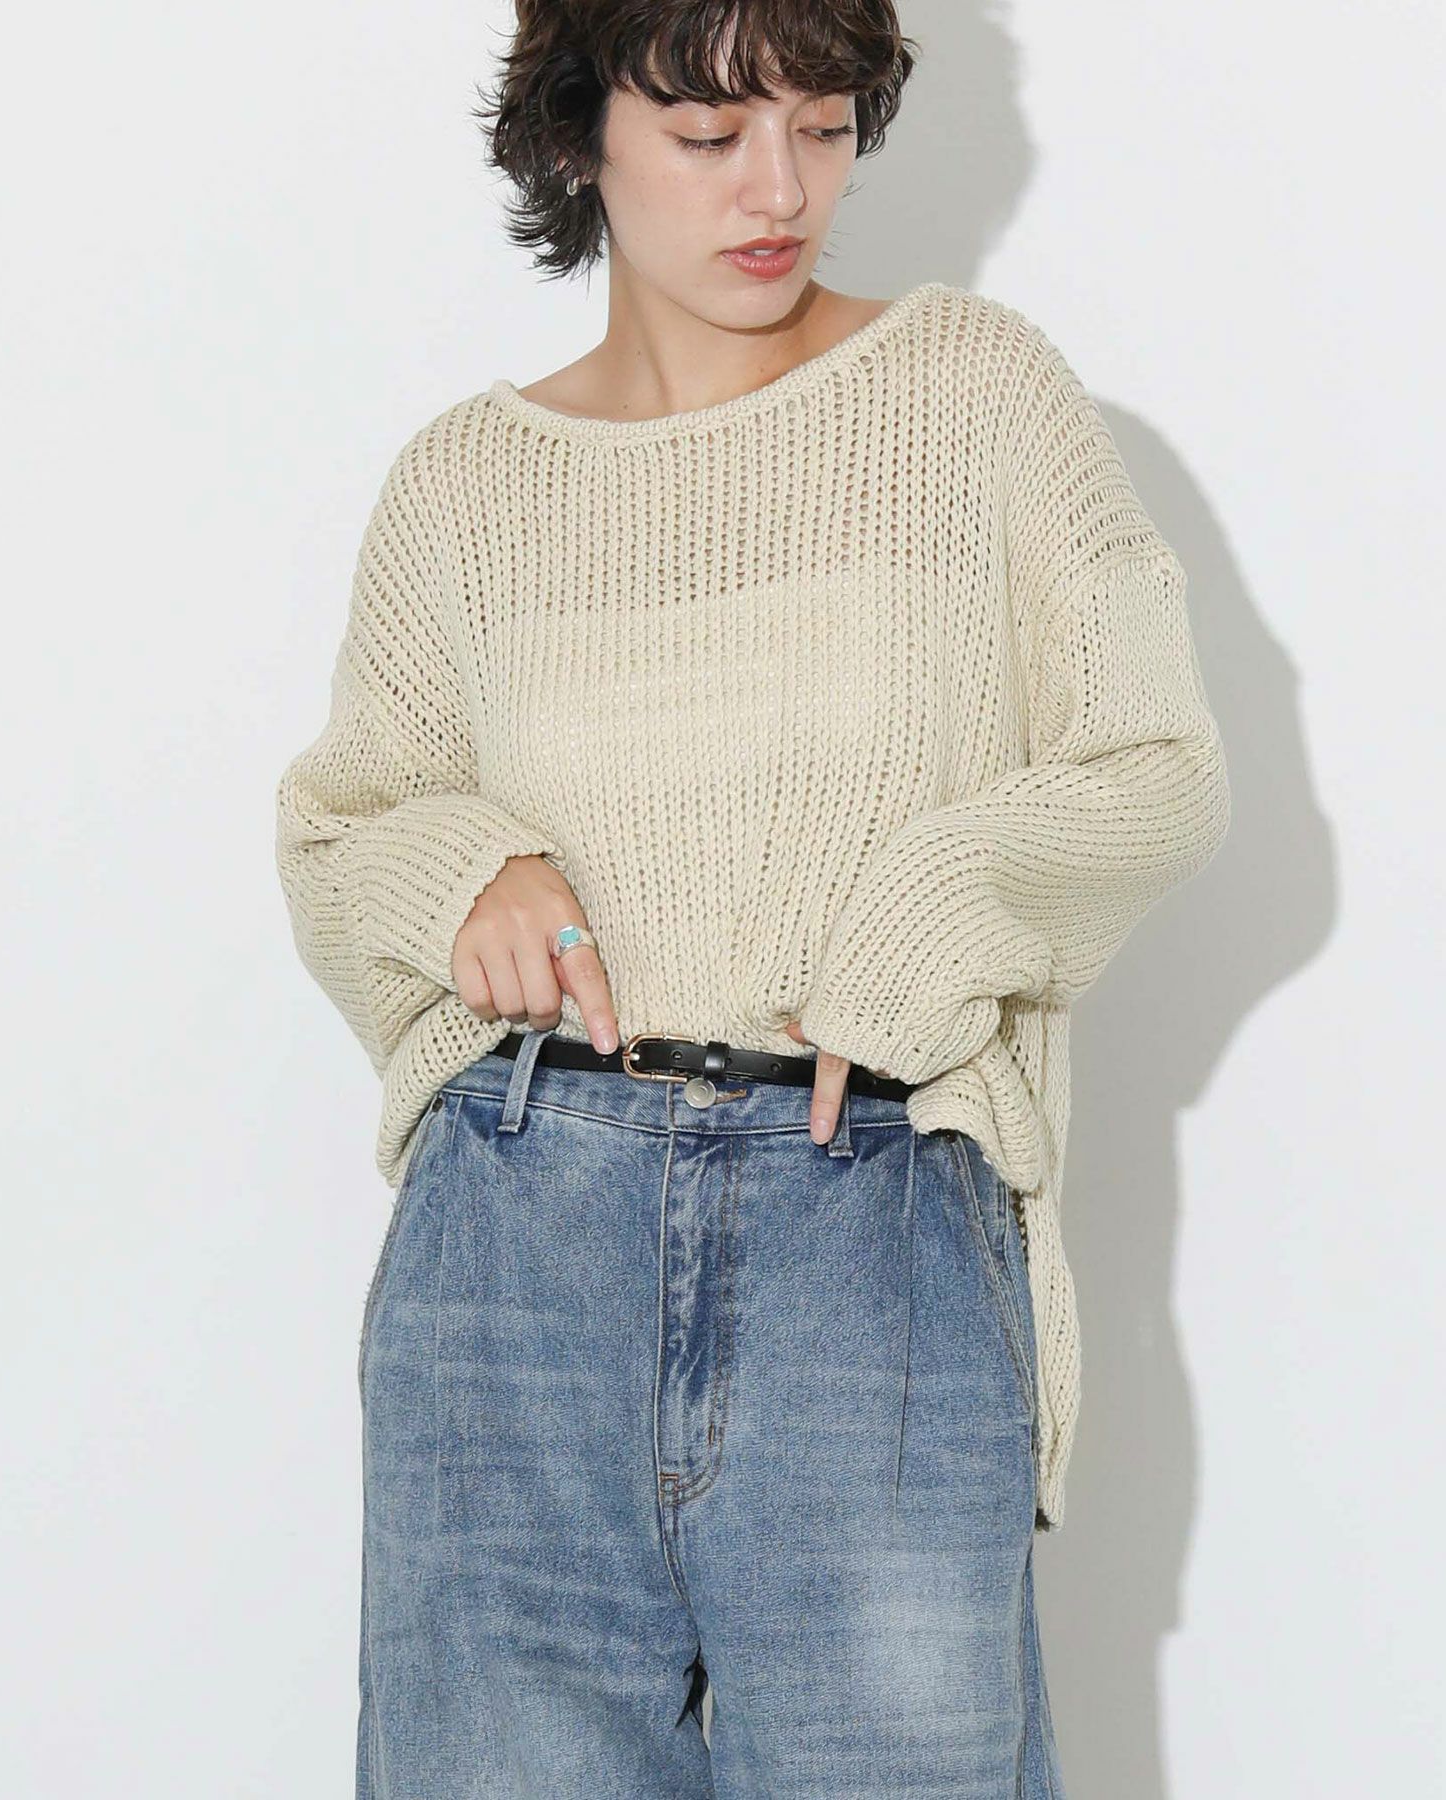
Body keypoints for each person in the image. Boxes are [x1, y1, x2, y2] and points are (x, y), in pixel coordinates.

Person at [272, 3, 1231, 1794]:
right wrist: (464, 865)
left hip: (868, 1213)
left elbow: (1154, 766)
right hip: (519, 1243)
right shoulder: (463, 490)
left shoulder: (976, 396)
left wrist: (921, 923)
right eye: (712, 137)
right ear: (582, 134)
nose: (779, 190)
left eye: (824, 123)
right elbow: (338, 834)